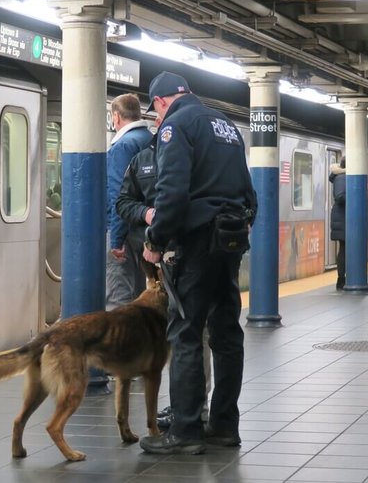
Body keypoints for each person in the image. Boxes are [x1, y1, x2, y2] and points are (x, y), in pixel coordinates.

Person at [139, 71, 257, 455]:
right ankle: (224, 425)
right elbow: (249, 193)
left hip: (197, 243)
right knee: (226, 334)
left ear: (159, 103)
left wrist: (156, 241)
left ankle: (186, 430)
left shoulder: (176, 125)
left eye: (156, 112)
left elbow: (171, 192)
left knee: (186, 332)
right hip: (231, 239)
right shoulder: (226, 125)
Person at [116, 122, 213, 431]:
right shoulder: (141, 160)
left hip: (186, 258)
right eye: (160, 118)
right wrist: (145, 215)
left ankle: (195, 407)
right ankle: (181, 406)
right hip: (152, 263)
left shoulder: (196, 159)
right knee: (170, 333)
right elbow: (123, 201)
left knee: (194, 332)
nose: (162, 124)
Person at [105, 93, 153, 307]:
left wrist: (116, 239)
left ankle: (119, 341)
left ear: (116, 116)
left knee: (119, 295)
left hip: (126, 231)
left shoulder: (123, 146)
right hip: (145, 228)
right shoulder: (150, 139)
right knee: (138, 294)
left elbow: (119, 195)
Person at [328, 157, 368, 290]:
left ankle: (352, 277)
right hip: (344, 218)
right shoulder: (342, 177)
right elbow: (340, 197)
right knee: (344, 248)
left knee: (349, 248)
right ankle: (342, 279)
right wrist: (359, 193)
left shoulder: (344, 177)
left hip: (347, 217)